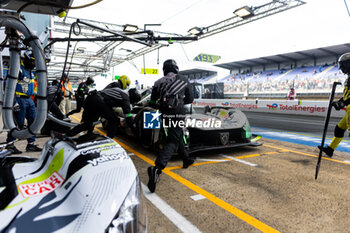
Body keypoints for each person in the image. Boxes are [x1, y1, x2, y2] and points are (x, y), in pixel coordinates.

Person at [147, 59, 194, 193]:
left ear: (164, 69)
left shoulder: (158, 83)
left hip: (163, 113)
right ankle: (157, 168)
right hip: (177, 113)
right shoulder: (183, 79)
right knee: (172, 140)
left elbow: (151, 101)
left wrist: (163, 106)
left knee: (176, 135)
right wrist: (178, 102)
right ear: (176, 68)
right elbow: (190, 99)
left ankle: (186, 159)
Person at [66, 87, 141, 138]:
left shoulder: (120, 91)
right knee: (114, 120)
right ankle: (108, 140)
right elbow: (128, 117)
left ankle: (68, 135)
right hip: (98, 101)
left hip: (91, 99)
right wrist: (136, 131)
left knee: (88, 123)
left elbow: (109, 106)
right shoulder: (125, 98)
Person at [5, 52, 42, 154]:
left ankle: (31, 144)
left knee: (34, 122)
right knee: (18, 123)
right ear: (27, 60)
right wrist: (13, 101)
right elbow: (8, 86)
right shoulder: (18, 69)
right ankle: (10, 145)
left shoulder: (31, 72)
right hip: (19, 99)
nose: (34, 64)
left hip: (29, 100)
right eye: (32, 61)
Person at [319, 52, 350, 157]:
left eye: (343, 66)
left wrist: (343, 103)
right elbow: (348, 94)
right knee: (339, 129)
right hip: (348, 109)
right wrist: (341, 101)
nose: (341, 69)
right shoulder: (349, 77)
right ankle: (330, 149)